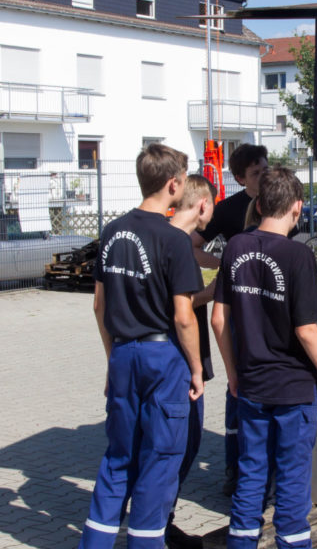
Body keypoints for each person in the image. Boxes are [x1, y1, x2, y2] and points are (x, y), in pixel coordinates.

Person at [211, 166, 317, 549]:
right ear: (297, 208)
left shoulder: (235, 246)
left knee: (251, 475)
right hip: (294, 389)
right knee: (292, 479)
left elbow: (219, 318)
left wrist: (233, 374)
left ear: (259, 202)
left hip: (251, 385)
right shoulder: (299, 256)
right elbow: (306, 330)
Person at [79, 143, 203, 549]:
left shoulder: (112, 231)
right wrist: (197, 368)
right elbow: (183, 316)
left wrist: (112, 355)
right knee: (159, 459)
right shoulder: (174, 241)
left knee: (118, 459)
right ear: (173, 184)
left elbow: (99, 305)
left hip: (123, 354)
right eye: (183, 181)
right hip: (162, 357)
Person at [193, 143, 268, 495]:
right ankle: (233, 469)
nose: (263, 176)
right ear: (240, 178)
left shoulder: (278, 204)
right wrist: (220, 265)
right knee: (238, 388)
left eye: (266, 169)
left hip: (274, 311)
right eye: (256, 173)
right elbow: (190, 243)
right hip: (239, 312)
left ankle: (266, 471)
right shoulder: (228, 209)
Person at [166, 174, 217, 549]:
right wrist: (217, 289)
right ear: (202, 205)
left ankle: (156, 520)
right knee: (185, 441)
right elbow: (181, 311)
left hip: (145, 358)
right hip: (179, 361)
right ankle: (159, 522)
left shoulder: (167, 238)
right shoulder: (176, 245)